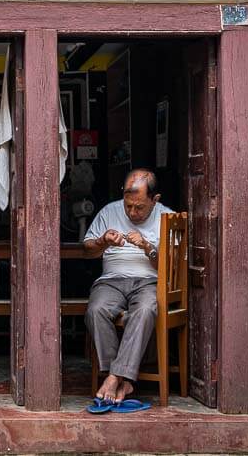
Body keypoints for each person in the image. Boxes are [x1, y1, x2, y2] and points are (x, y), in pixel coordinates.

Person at [83, 168, 172, 404]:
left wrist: (147, 247)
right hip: (111, 280)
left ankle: (113, 377)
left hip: (149, 282)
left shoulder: (167, 218)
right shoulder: (109, 211)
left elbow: (172, 265)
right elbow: (87, 250)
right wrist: (103, 241)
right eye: (128, 205)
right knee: (96, 309)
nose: (132, 212)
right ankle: (124, 381)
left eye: (139, 207)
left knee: (145, 310)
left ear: (155, 199)